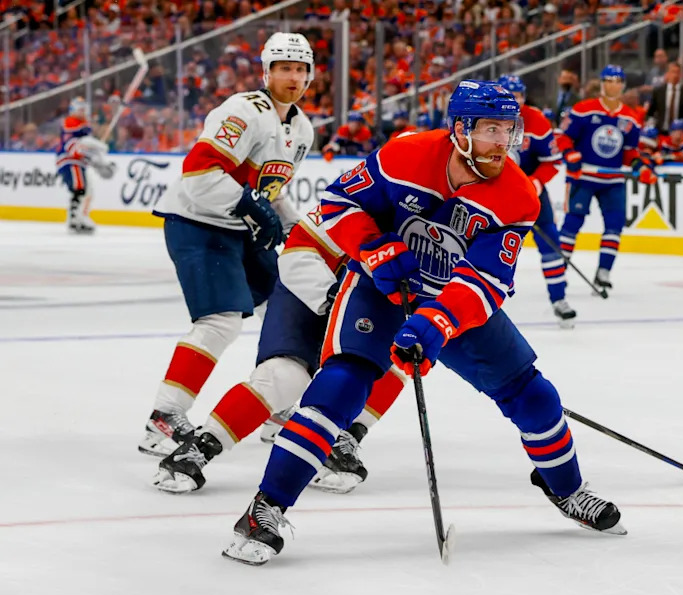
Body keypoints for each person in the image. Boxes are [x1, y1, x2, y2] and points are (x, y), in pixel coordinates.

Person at [222, 80, 626, 566]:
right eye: (491, 129)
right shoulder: (405, 155)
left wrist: (435, 322)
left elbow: (485, 281)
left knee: (535, 397)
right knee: (342, 386)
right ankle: (264, 509)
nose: (504, 141)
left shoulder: (518, 195)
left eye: (509, 129)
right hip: (380, 286)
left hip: (451, 301)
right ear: (460, 129)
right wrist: (372, 248)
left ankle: (568, 490)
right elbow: (340, 204)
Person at [139, 33, 315, 457]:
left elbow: (268, 190)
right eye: (284, 68)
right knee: (221, 322)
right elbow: (199, 176)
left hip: (238, 229)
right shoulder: (243, 110)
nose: (292, 77)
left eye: (300, 69)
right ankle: (164, 416)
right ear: (266, 71)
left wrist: (296, 226)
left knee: (293, 309)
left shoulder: (301, 128)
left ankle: (276, 409)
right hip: (198, 223)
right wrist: (248, 204)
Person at [152, 205, 407, 494]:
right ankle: (199, 447)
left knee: (396, 359)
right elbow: (298, 253)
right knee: (285, 376)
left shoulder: (448, 220)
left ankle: (340, 439)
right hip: (311, 290)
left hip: (370, 302)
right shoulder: (368, 194)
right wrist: (334, 296)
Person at [556, 65, 653, 293]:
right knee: (572, 223)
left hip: (613, 180)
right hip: (583, 177)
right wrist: (571, 154)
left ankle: (604, 272)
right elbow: (563, 138)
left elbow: (630, 153)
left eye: (618, 81)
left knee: (615, 225)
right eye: (609, 80)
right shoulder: (583, 110)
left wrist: (641, 166)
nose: (614, 85)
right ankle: (559, 272)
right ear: (602, 83)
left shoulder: (630, 118)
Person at [497, 75, 576, 327]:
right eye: (509, 95)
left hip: (531, 194)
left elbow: (552, 161)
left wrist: (536, 182)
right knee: (492, 250)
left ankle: (559, 299)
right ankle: (483, 304)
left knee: (551, 244)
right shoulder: (484, 117)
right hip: (493, 197)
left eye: (518, 95)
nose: (514, 100)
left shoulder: (536, 120)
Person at [55, 97, 116, 234]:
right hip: (70, 161)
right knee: (79, 189)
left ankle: (80, 217)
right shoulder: (72, 122)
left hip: (78, 162)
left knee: (88, 191)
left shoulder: (84, 127)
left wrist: (101, 163)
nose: (82, 112)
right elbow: (81, 144)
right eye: (79, 109)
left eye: (84, 109)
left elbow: (87, 151)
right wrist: (99, 145)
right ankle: (74, 220)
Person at [647, 62, 683, 132]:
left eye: (678, 72)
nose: (675, 75)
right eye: (673, 72)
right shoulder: (658, 92)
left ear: (681, 75)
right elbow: (651, 112)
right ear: (667, 74)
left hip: (679, 133)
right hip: (661, 132)